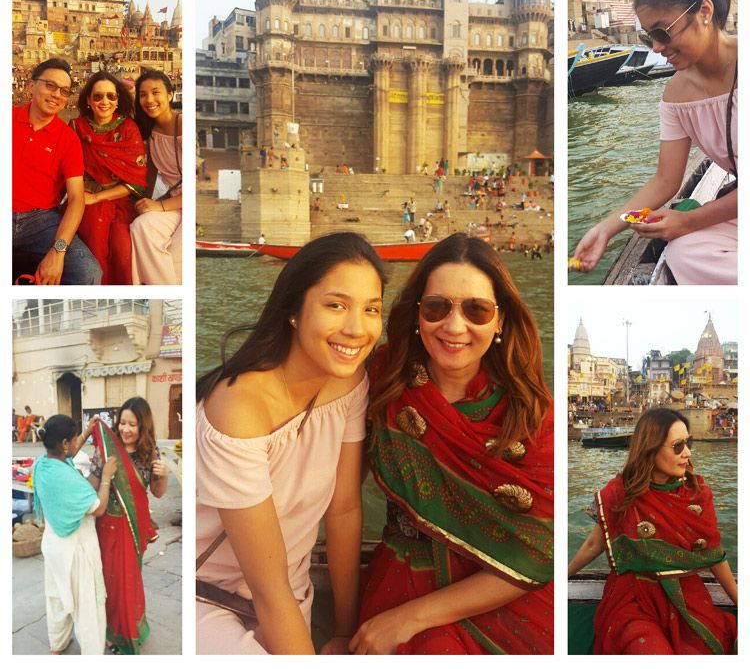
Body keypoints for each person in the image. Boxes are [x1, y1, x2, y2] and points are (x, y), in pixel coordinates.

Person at [352, 233, 553, 654]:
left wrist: (411, 618)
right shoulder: (382, 378)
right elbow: (337, 495)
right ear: (417, 314)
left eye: (476, 310)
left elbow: (536, 554)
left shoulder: (532, 413)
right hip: (405, 574)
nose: (454, 326)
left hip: (501, 594)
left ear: (500, 321)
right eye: (437, 307)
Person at [195, 233, 386, 654]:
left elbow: (344, 509)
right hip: (208, 594)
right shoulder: (238, 408)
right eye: (336, 305)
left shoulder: (350, 381)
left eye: (371, 309)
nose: (357, 328)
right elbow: (268, 589)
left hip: (292, 589)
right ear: (294, 311)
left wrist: (342, 631)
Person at [573, 0, 737, 284]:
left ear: (704, 11)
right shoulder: (675, 94)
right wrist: (606, 227)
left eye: (662, 32)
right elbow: (665, 180)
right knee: (684, 253)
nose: (658, 48)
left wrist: (688, 221)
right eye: (650, 37)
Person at [568, 408, 737, 654]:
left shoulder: (697, 493)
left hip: (685, 599)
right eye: (678, 446)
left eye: (687, 444)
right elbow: (595, 544)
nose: (687, 453)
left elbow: (714, 555)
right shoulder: (620, 493)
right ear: (651, 448)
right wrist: (561, 576)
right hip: (633, 599)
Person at [89, 397, 168, 654]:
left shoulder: (150, 452)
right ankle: (113, 631)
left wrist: (163, 474)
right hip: (107, 525)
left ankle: (130, 630)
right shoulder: (106, 450)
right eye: (122, 422)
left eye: (132, 424)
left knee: (129, 580)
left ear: (143, 426)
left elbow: (156, 492)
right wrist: (101, 472)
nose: (125, 429)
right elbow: (90, 487)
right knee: (110, 581)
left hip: (134, 525)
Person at [12, 58, 102, 284]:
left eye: (63, 91)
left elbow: (76, 198)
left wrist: (58, 251)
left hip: (40, 220)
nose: (56, 95)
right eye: (50, 86)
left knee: (88, 273)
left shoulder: (68, 139)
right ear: (31, 86)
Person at [33, 414, 117, 654]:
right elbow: (99, 508)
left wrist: (86, 434)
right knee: (87, 606)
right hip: (76, 551)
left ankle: (57, 646)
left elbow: (68, 457)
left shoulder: (43, 464)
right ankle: (91, 654)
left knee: (58, 598)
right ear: (64, 444)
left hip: (54, 546)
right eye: (72, 440)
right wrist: (107, 477)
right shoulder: (67, 478)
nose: (74, 444)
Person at [69, 72, 147, 284]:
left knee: (123, 253)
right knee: (95, 248)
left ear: (118, 100)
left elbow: (136, 182)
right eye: (98, 97)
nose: (105, 102)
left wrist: (98, 197)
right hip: (85, 200)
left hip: (119, 201)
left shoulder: (128, 129)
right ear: (88, 100)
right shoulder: (77, 127)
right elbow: (66, 170)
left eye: (111, 97)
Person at [130, 70, 182, 284]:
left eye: (155, 92)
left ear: (170, 94)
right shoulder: (149, 131)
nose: (149, 100)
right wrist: (144, 201)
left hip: (184, 204)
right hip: (172, 204)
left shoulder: (184, 124)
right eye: (143, 94)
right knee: (141, 225)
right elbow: (151, 173)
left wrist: (159, 207)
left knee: (178, 262)